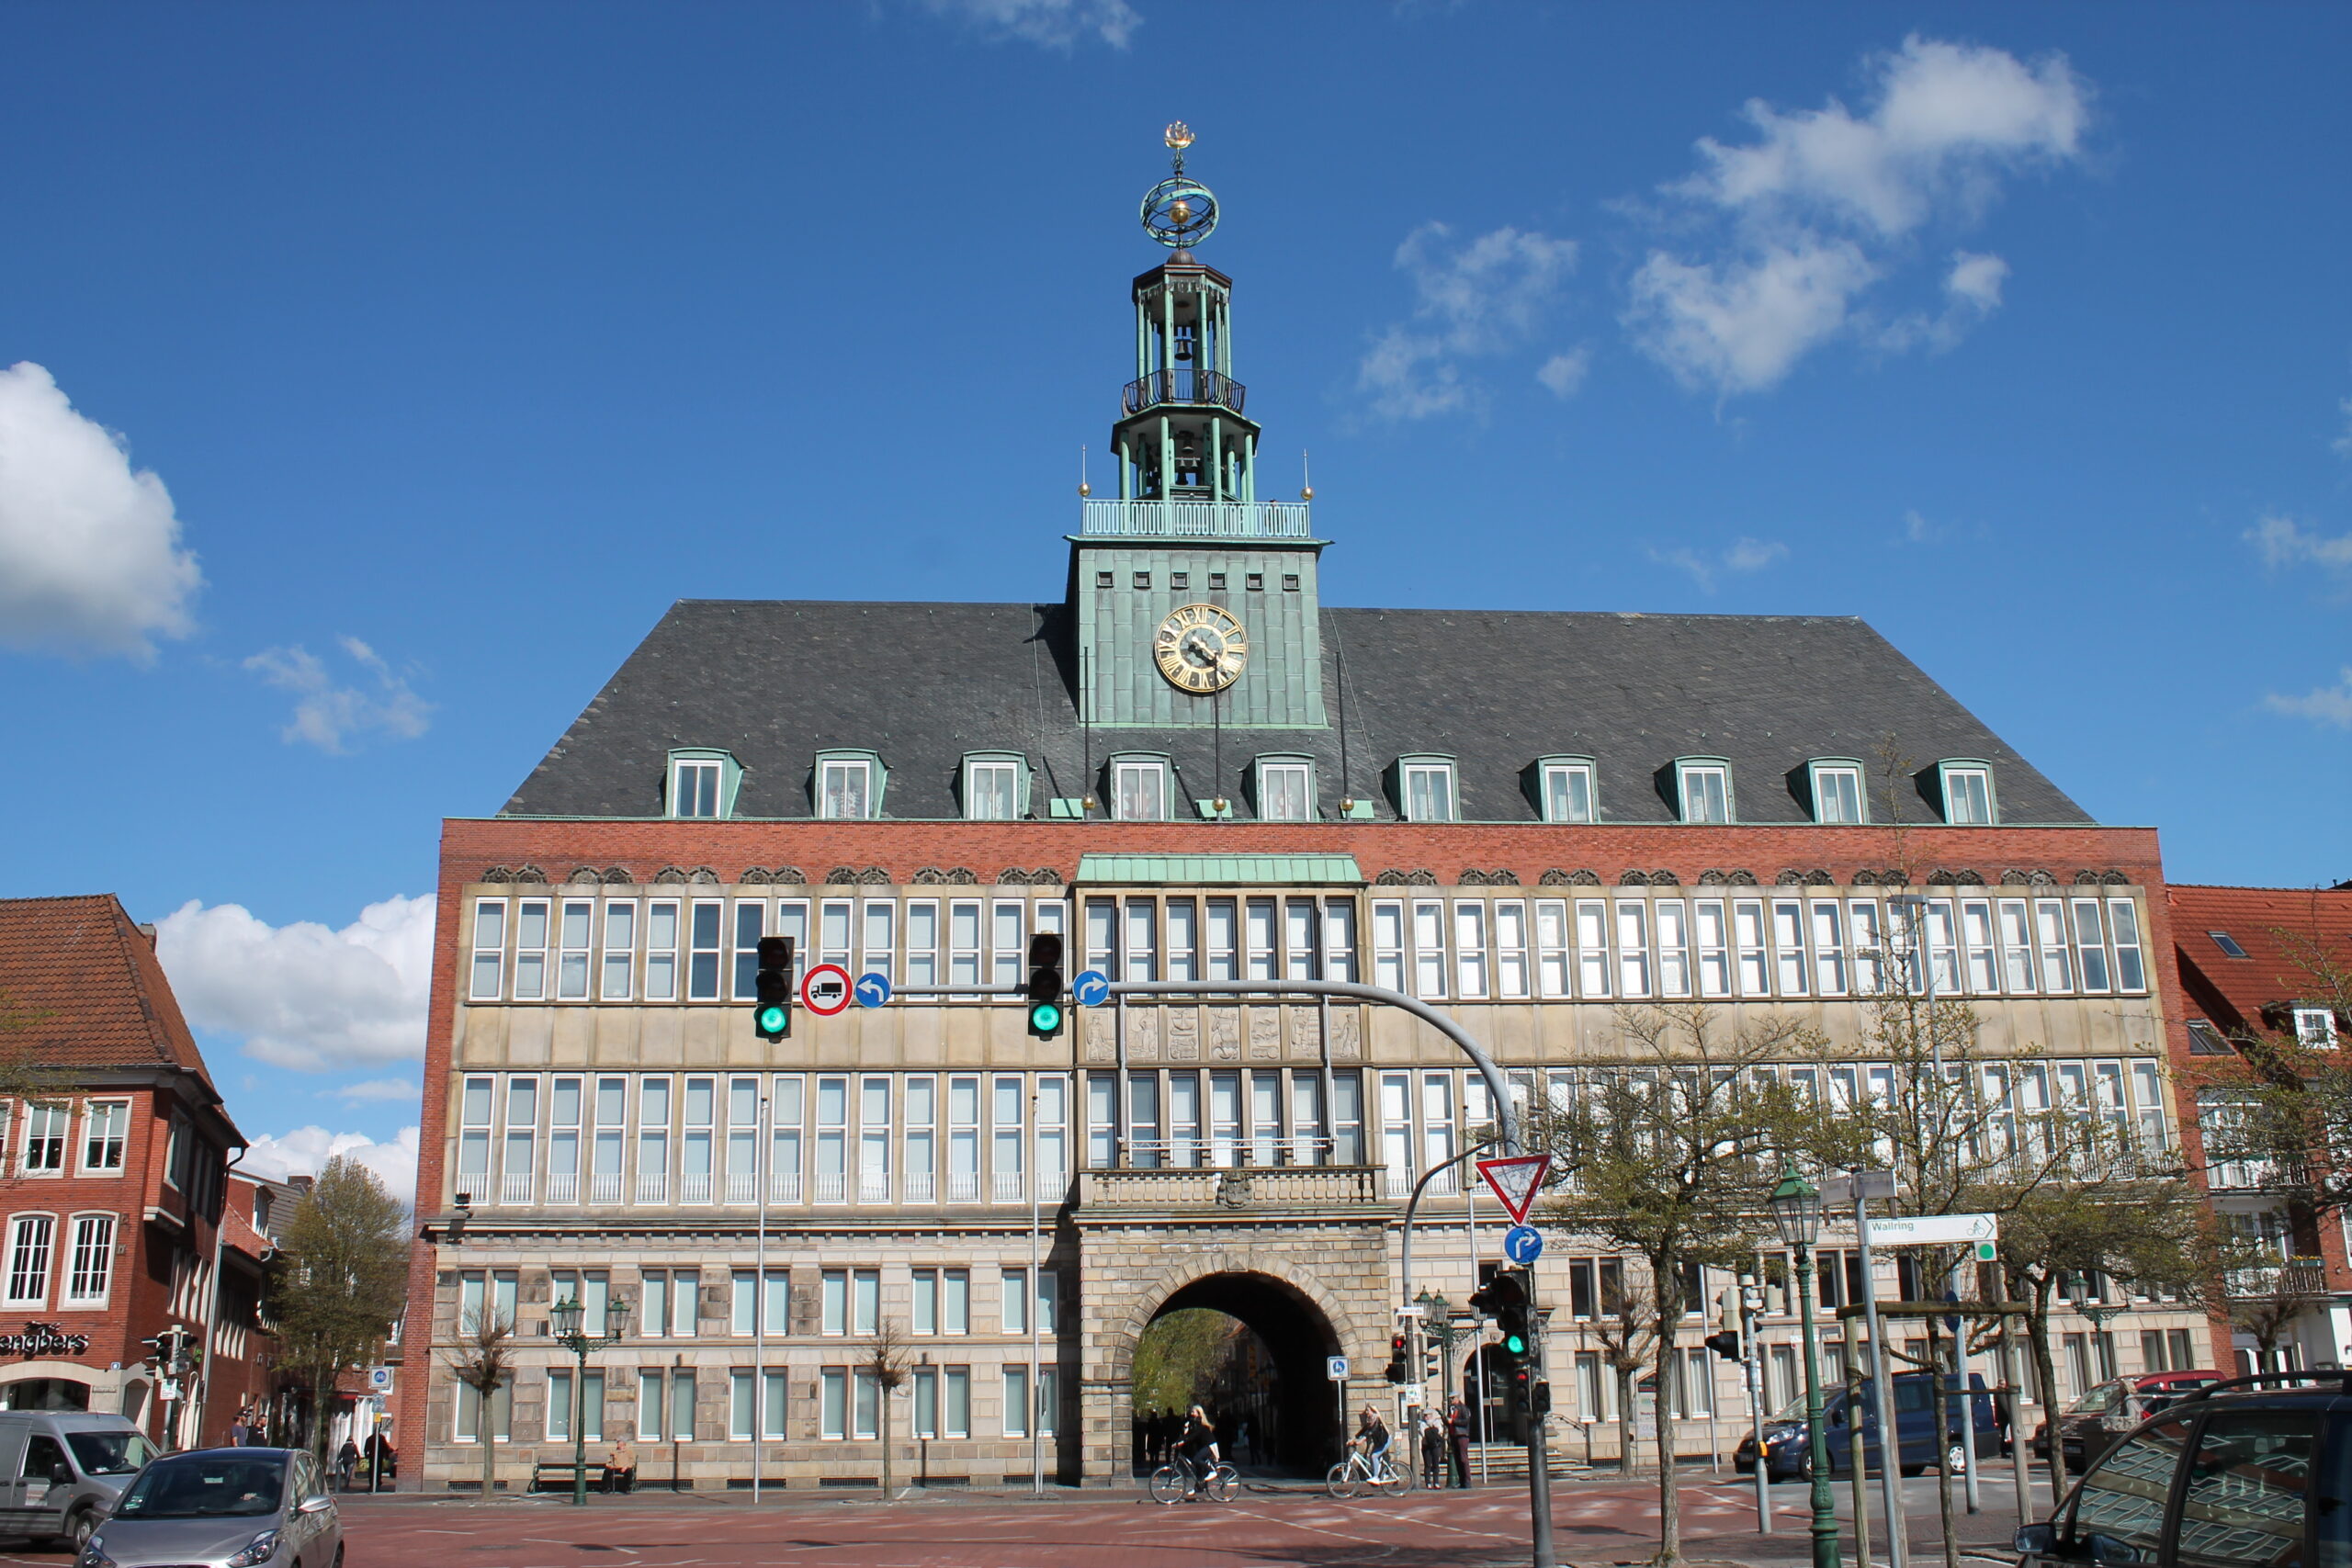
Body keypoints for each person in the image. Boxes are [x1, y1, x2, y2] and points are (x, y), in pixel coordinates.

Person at [1173, 1404, 1218, 1496]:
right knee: (1198, 1468)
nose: (1191, 1414)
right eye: (1191, 1412)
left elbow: (1193, 1436)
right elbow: (1187, 1435)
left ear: (1199, 1413)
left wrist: (1182, 1442)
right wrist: (1176, 1442)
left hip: (1209, 1446)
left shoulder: (1201, 1425)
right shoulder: (1193, 1423)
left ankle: (1212, 1471)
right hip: (1201, 1446)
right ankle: (1198, 1488)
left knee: (1196, 1459)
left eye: (1193, 1412)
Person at [1351, 1405, 1391, 1481]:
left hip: (1385, 1441)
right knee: (1372, 1457)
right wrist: (1352, 1439)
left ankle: (1376, 1477)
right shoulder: (1370, 1421)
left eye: (1368, 1410)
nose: (1366, 1412)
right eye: (1366, 1410)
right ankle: (1381, 1473)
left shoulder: (1376, 1419)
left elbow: (1371, 1431)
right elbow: (1363, 1431)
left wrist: (1361, 1441)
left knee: (1374, 1456)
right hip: (1379, 1443)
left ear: (1372, 1411)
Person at [1446, 1396, 1472, 1488]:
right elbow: (1449, 1423)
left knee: (1463, 1458)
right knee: (1457, 1459)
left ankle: (1467, 1481)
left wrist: (1453, 1421)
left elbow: (1466, 1421)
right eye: (1450, 1399)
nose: (1451, 1400)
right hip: (1454, 1435)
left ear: (1457, 1399)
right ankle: (1461, 1481)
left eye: (1453, 1398)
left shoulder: (1463, 1408)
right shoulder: (1451, 1409)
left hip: (1462, 1435)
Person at [1419, 1407, 1444, 1488]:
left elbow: (1440, 1431)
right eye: (1425, 1416)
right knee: (1428, 1464)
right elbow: (1423, 1433)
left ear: (1431, 1415)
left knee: (1436, 1464)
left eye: (1428, 1415)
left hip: (1435, 1445)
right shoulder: (1422, 1424)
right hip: (1426, 1446)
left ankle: (1436, 1482)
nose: (1426, 1417)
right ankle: (1428, 1483)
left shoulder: (1437, 1422)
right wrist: (1433, 1431)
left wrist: (1430, 1431)